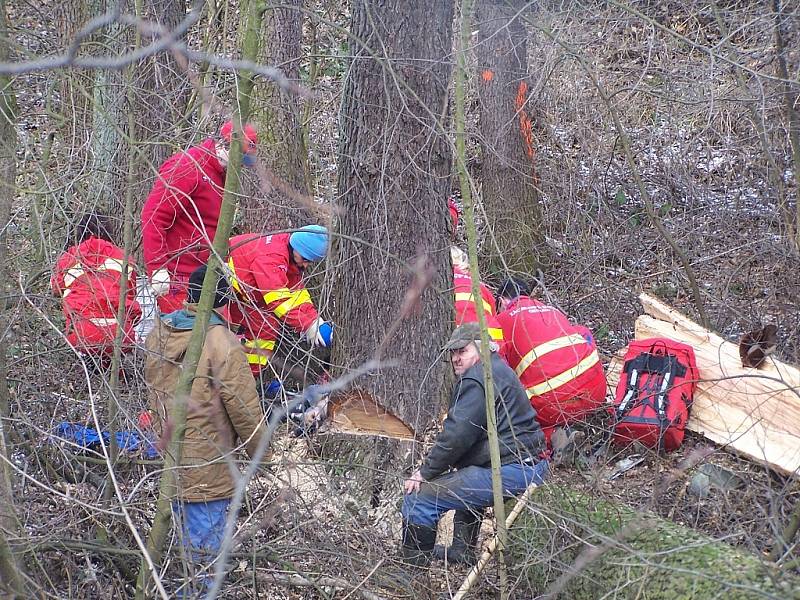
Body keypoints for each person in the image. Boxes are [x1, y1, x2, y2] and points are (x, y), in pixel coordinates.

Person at [143, 265, 266, 590]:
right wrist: (262, 456)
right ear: (222, 301)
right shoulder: (221, 342)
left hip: (170, 462)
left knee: (177, 555)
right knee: (203, 565)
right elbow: (245, 411)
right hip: (208, 467)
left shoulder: (160, 331)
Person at [400, 322, 548, 567]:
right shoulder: (499, 369)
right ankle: (462, 550)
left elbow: (456, 436)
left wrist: (424, 473)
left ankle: (410, 577)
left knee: (419, 499)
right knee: (466, 475)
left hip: (514, 471)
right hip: (531, 465)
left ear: (481, 349)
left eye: (463, 351)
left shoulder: (477, 379)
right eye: (454, 353)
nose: (456, 358)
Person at [141, 121, 259, 313]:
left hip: (208, 275)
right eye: (240, 159)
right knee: (181, 338)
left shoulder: (222, 175)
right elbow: (154, 216)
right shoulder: (188, 166)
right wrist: (157, 268)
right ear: (224, 145)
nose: (240, 166)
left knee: (217, 337)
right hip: (179, 279)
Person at [495, 277, 606, 445]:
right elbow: (585, 335)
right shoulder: (552, 310)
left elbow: (498, 368)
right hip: (596, 392)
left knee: (516, 418)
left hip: (553, 407)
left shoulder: (501, 321)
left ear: (502, 301)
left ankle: (553, 436)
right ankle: (590, 425)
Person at [224, 225, 333, 378]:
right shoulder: (272, 257)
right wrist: (307, 325)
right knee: (221, 336)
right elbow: (278, 300)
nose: (306, 265)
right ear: (297, 248)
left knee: (265, 331)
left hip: (247, 296)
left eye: (310, 262)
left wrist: (315, 320)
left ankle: (248, 379)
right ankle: (233, 380)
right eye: (305, 259)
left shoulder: (291, 257)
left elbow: (297, 294)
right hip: (227, 291)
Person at [51, 214, 141, 358]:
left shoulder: (69, 258)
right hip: (121, 334)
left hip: (82, 335)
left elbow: (56, 289)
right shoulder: (124, 258)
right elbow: (132, 293)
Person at [451, 246, 504, 346]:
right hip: (493, 343)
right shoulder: (480, 287)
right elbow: (493, 313)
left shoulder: (439, 285)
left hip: (459, 345)